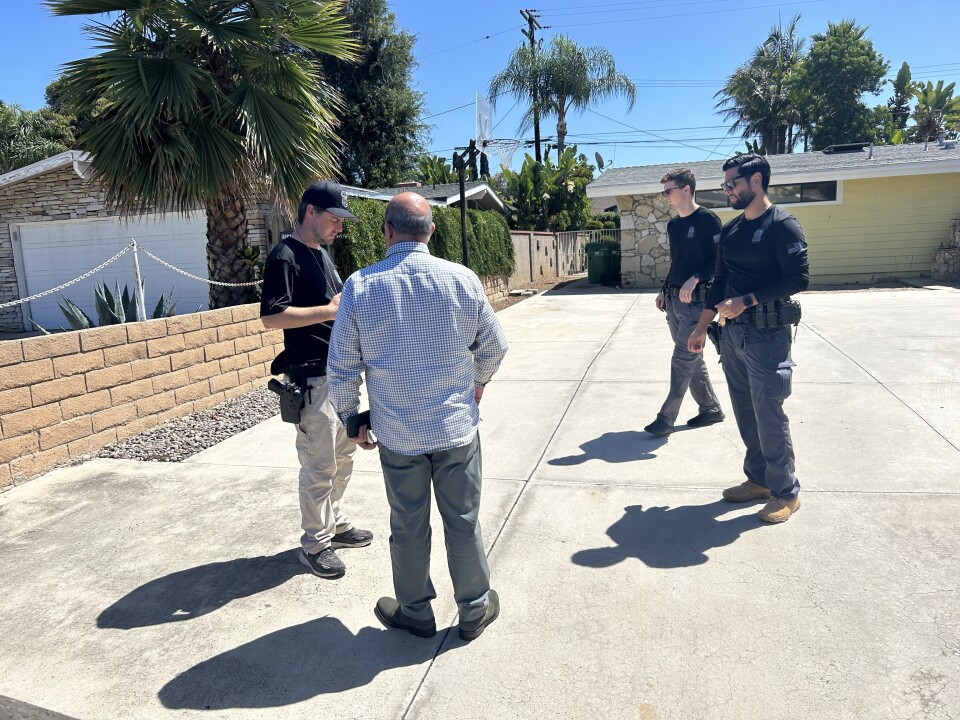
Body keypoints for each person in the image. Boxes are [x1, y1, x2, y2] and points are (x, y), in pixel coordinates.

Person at [328, 192, 509, 641]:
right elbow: (495, 345)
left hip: (398, 434)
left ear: (386, 231)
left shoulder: (361, 286)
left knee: (407, 525)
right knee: (463, 520)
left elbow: (343, 364)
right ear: (431, 231)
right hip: (455, 430)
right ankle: (474, 609)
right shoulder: (462, 279)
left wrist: (352, 418)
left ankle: (415, 612)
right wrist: (478, 383)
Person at [260, 180, 373, 578]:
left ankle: (335, 525)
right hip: (311, 378)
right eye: (333, 219)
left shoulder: (321, 254)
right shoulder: (285, 256)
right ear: (310, 211)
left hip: (338, 375)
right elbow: (271, 316)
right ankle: (315, 543)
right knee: (319, 465)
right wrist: (327, 312)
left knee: (342, 458)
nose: (339, 227)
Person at [688, 154, 809, 523]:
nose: (727, 191)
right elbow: (720, 281)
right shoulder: (732, 230)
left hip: (768, 335)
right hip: (732, 335)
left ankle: (786, 492)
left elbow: (798, 279)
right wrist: (700, 325)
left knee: (768, 410)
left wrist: (747, 301)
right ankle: (758, 480)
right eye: (725, 185)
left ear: (756, 181)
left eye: (732, 184)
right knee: (745, 409)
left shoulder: (782, 225)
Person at [644, 168, 725, 437]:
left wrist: (696, 278)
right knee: (692, 358)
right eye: (664, 191)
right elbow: (677, 263)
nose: (665, 195)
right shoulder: (674, 225)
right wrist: (663, 290)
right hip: (674, 300)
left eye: (669, 190)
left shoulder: (708, 220)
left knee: (682, 358)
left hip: (697, 302)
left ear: (686, 189)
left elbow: (718, 261)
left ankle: (666, 419)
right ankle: (711, 409)